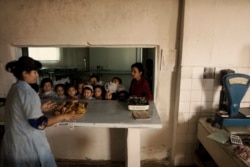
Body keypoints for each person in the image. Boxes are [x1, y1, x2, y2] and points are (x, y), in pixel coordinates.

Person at [0, 56, 82, 167]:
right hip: (27, 147)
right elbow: (39, 123)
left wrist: (39, 109)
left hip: (14, 142)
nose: (37, 75)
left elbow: (20, 111)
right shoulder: (28, 93)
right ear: (25, 73)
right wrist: (64, 116)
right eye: (34, 72)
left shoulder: (15, 88)